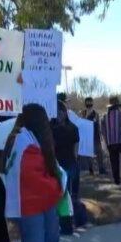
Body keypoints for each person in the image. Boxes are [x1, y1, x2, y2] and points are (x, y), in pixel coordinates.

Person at [1, 104, 66, 242]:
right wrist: (57, 186)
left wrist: (55, 185)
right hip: (29, 206)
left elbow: (52, 169)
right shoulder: (21, 140)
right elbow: (30, 176)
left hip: (48, 203)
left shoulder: (41, 140)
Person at [53, 100, 87, 234]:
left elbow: (75, 149)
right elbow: (76, 149)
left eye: (59, 112)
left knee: (66, 197)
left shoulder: (53, 128)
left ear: (63, 112)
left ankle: (69, 225)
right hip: (67, 164)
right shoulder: (72, 128)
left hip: (65, 165)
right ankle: (76, 222)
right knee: (68, 196)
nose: (58, 115)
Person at [102, 96, 121, 185]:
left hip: (110, 143)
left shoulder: (104, 117)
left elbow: (103, 130)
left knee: (114, 161)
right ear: (118, 105)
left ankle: (117, 180)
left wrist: (106, 141)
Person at [81, 97, 106, 175]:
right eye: (87, 102)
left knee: (99, 153)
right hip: (87, 136)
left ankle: (101, 169)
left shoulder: (96, 113)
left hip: (95, 136)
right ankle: (91, 169)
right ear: (85, 103)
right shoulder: (83, 113)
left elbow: (98, 124)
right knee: (89, 154)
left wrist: (101, 134)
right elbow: (81, 124)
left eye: (90, 102)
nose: (89, 104)